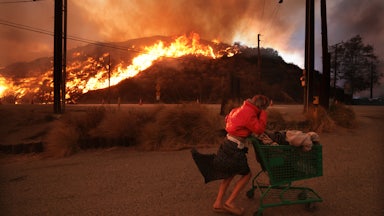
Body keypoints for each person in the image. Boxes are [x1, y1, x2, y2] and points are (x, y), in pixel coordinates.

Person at [191, 95, 270, 215]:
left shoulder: (237, 109)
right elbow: (259, 129)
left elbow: (227, 119)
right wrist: (263, 114)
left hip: (227, 143)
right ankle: (230, 202)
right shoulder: (250, 113)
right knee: (247, 175)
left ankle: (218, 203)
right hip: (235, 148)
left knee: (229, 174)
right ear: (261, 106)